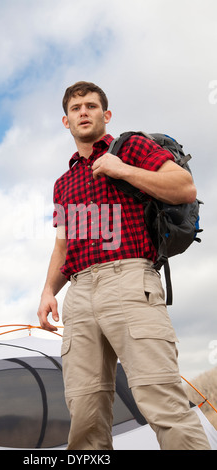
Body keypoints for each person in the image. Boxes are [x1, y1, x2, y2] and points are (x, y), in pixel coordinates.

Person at [37, 81, 211, 450]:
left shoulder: (130, 147)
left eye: (91, 105)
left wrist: (123, 170)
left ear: (106, 114)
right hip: (80, 293)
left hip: (130, 278)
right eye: (75, 108)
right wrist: (49, 291)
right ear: (66, 121)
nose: (83, 111)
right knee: (84, 416)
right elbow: (64, 245)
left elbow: (184, 187)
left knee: (162, 402)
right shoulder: (63, 184)